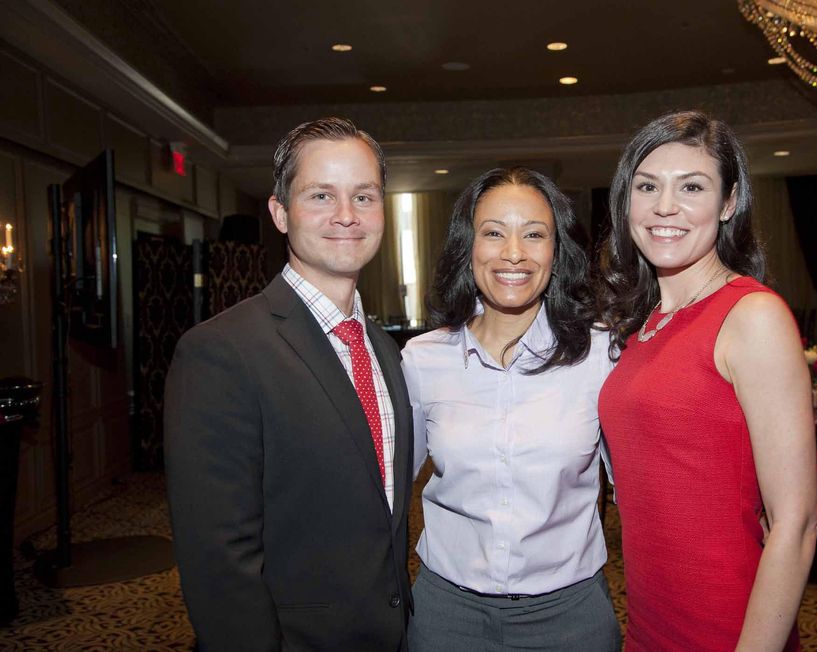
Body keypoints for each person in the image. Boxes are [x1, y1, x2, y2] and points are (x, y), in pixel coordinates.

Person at [164, 117, 413, 651]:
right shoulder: (221, 351)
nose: (347, 215)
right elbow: (218, 558)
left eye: (364, 197)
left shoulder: (384, 350)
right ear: (280, 212)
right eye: (321, 195)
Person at [596, 111, 817, 651]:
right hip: (650, 623)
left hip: (730, 626)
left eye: (691, 187)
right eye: (647, 187)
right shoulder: (641, 324)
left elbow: (798, 521)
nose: (664, 207)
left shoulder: (751, 315)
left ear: (728, 203)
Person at [402, 167, 621, 651]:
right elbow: (387, 494)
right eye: (494, 233)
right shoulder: (423, 360)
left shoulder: (601, 358)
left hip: (570, 618)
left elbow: (641, 495)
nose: (514, 253)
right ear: (469, 247)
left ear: (557, 250)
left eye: (535, 234)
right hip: (447, 617)